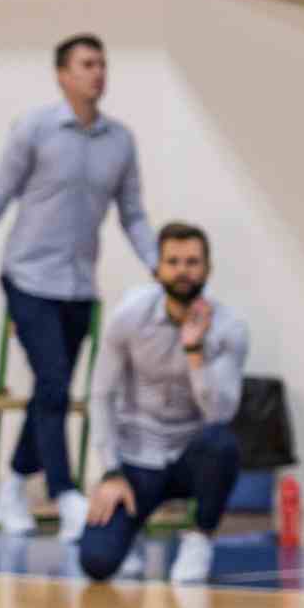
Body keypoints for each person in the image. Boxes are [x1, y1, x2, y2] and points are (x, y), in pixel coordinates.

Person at [0, 34, 158, 542]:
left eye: (102, 64)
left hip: (79, 285)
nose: (97, 73)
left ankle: (11, 487)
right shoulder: (34, 129)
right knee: (55, 383)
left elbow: (132, 214)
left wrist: (161, 267)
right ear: (63, 74)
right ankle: (64, 494)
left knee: (52, 390)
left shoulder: (120, 141)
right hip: (28, 276)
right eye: (87, 64)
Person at [79, 222, 247, 584]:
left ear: (207, 269)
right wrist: (110, 471)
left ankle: (200, 537)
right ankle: (132, 532)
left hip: (190, 457)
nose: (183, 271)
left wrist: (195, 350)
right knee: (96, 562)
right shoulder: (129, 317)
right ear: (157, 269)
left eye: (192, 262)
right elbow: (101, 395)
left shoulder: (229, 328)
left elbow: (220, 414)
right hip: (138, 460)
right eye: (173, 262)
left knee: (222, 443)